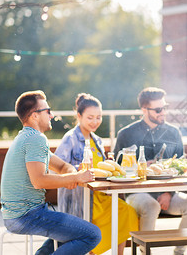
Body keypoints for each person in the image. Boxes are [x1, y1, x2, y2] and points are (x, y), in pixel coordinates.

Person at [0, 90, 101, 255]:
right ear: (34, 116)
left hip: (18, 215)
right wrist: (74, 177)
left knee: (70, 234)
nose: (52, 115)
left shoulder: (28, 137)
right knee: (92, 235)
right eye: (47, 111)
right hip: (27, 216)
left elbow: (62, 167)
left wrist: (70, 176)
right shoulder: (35, 139)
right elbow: (38, 181)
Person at [113, 87, 187, 255]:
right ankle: (146, 253)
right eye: (159, 109)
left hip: (167, 194)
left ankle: (179, 252)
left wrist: (169, 193)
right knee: (151, 206)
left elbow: (182, 169)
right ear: (144, 110)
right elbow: (117, 170)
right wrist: (140, 168)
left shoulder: (174, 132)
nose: (163, 112)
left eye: (165, 108)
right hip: (137, 194)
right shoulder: (126, 134)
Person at [55, 93, 139, 255]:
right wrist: (76, 172)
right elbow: (57, 167)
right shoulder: (70, 139)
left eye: (99, 117)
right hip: (80, 198)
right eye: (90, 118)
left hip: (99, 195)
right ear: (79, 116)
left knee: (127, 212)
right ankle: (92, 251)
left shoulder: (98, 140)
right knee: (101, 221)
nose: (95, 122)